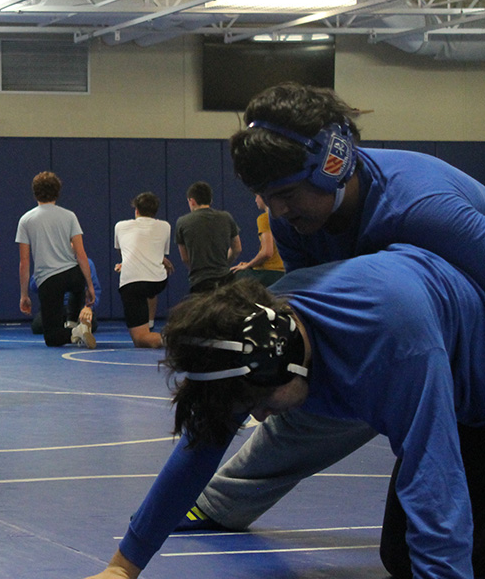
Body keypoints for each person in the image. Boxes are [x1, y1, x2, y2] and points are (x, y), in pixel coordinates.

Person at [179, 82, 485, 577]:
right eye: (266, 198)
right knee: (292, 394)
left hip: (449, 350)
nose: (278, 212)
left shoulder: (424, 206)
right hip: (398, 336)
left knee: (438, 523)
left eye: (287, 194)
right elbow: (306, 318)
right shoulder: (293, 223)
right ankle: (218, 502)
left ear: (333, 164)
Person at [86, 245, 485, 579]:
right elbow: (198, 451)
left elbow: (435, 487)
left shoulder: (395, 351)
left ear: (287, 365)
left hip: (473, 397)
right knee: (401, 555)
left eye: (260, 404)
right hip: (437, 368)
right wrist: (123, 567)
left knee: (442, 555)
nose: (259, 418)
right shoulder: (260, 335)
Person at [16, 171, 97, 349]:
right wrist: (89, 286)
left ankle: (75, 332)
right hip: (73, 274)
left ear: (35, 192)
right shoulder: (69, 216)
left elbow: (24, 262)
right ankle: (74, 323)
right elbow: (81, 254)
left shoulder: (26, 220)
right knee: (76, 288)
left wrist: (24, 295)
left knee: (52, 338)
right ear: (57, 192)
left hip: (49, 279)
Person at [113, 192, 173, 348]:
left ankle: (179, 340)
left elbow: (123, 254)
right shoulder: (165, 226)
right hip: (158, 282)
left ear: (136, 211)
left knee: (140, 339)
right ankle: (150, 322)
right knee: (148, 284)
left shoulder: (120, 226)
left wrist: (125, 264)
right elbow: (160, 254)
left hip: (132, 284)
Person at [174, 181, 241, 294]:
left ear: (192, 201)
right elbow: (237, 248)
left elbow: (185, 258)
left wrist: (197, 268)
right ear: (210, 200)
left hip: (200, 281)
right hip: (225, 278)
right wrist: (224, 263)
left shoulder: (182, 222)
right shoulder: (226, 217)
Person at [29, 258, 100, 336]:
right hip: (56, 306)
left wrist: (88, 307)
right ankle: (68, 327)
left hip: (79, 306)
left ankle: (69, 326)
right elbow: (33, 286)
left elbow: (95, 289)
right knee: (38, 325)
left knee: (90, 323)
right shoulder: (49, 262)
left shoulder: (87, 263)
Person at [230, 193, 285, 287]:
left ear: (264, 197)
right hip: (285, 272)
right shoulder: (285, 219)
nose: (255, 200)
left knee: (233, 275)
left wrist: (248, 266)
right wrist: (251, 265)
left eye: (257, 196)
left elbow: (267, 252)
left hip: (271, 273)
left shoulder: (264, 218)